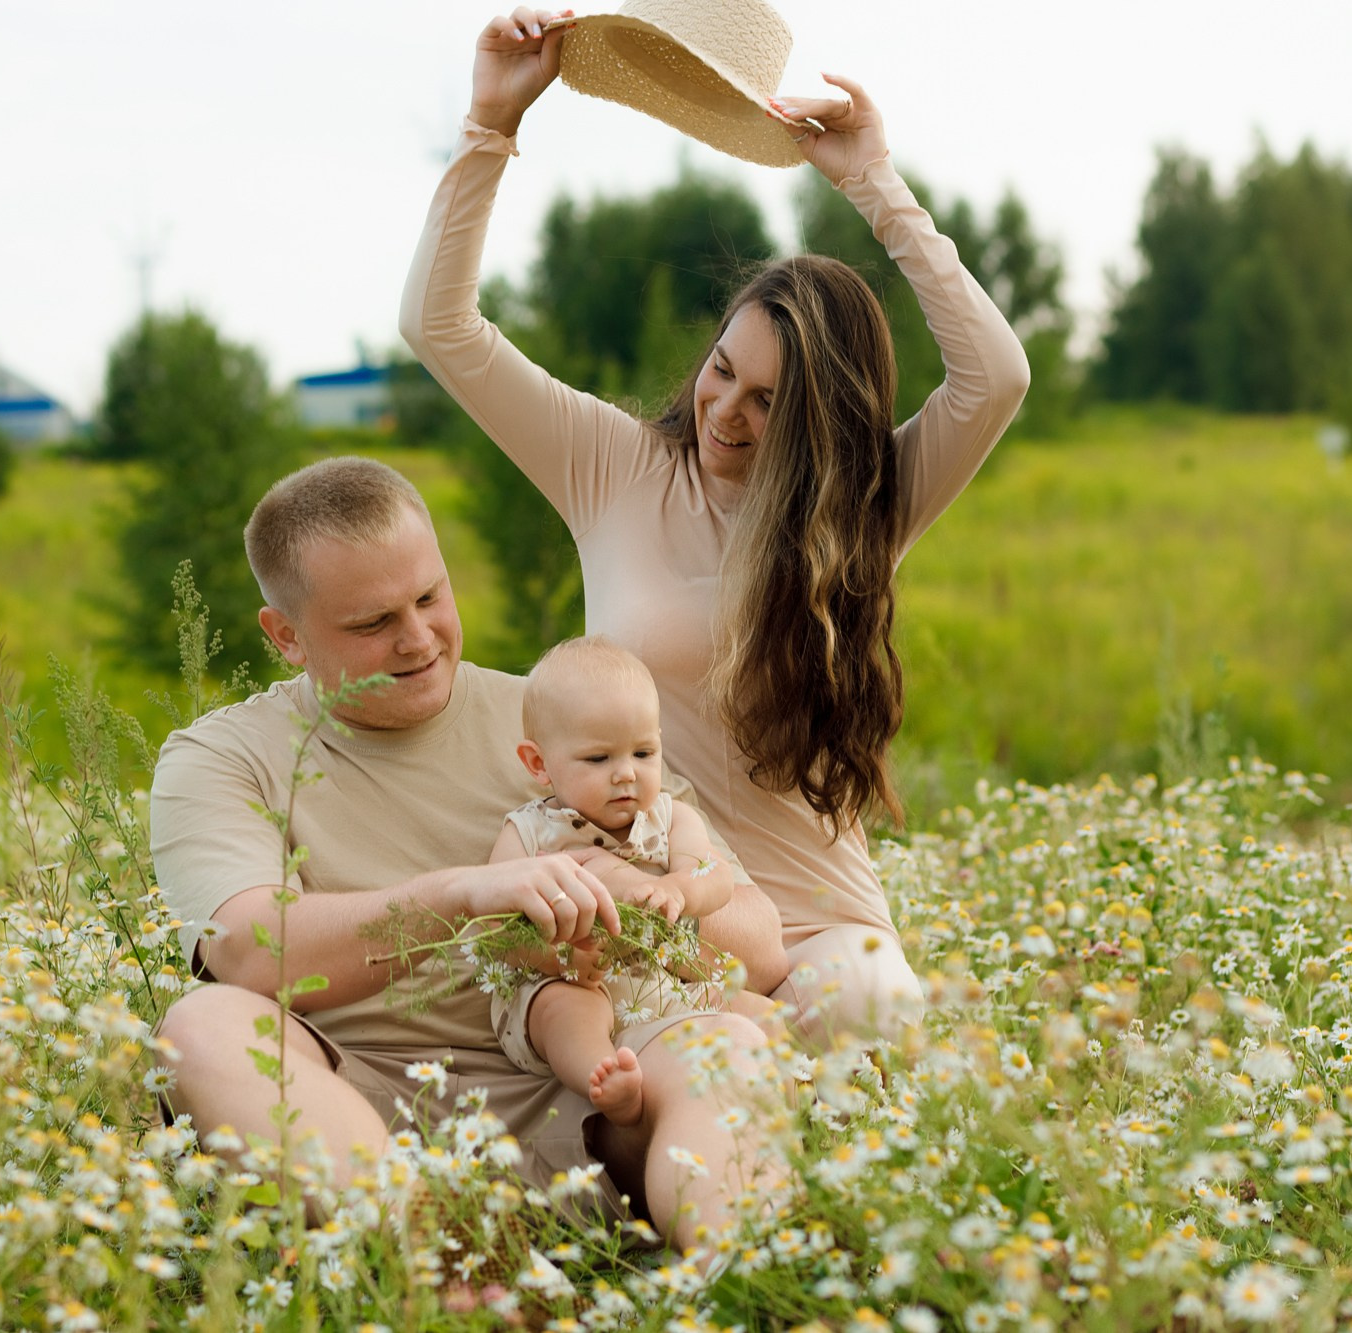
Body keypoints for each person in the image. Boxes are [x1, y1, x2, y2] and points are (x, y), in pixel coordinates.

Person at [400, 8, 1032, 1044]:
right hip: (647, 904)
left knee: (873, 1023)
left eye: (767, 402)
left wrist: (872, 183)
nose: (724, 413)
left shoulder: (861, 505)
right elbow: (438, 326)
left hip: (815, 914)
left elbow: (994, 375)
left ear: (820, 421)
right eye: (719, 371)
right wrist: (489, 124)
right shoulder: (609, 465)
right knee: (680, 1087)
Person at [151, 456, 788, 1245]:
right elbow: (247, 951)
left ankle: (738, 1281)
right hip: (362, 1106)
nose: (417, 639)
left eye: (429, 596)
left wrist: (625, 887)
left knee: (726, 1043)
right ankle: (427, 1249)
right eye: (372, 622)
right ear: (286, 635)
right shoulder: (223, 756)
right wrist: (460, 893)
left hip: (593, 1091)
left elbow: (760, 944)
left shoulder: (561, 714)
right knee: (205, 1025)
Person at [486, 634, 751, 1129]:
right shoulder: (532, 832)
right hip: (572, 978)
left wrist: (680, 888)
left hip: (664, 983)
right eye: (599, 759)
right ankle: (604, 1077)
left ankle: (803, 1082)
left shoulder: (670, 817)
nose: (626, 774)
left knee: (752, 1009)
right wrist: (555, 956)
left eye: (643, 753)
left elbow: (714, 875)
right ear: (538, 763)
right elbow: (494, 926)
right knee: (564, 1009)